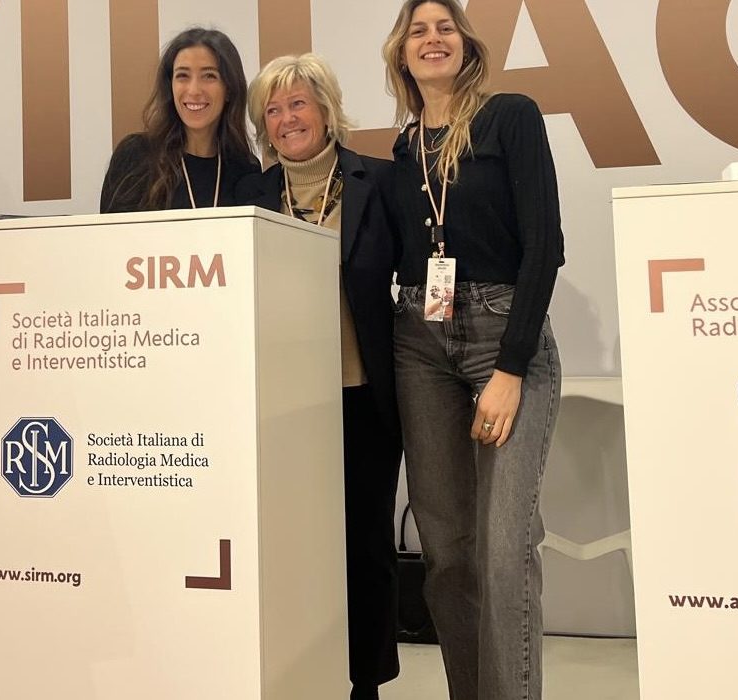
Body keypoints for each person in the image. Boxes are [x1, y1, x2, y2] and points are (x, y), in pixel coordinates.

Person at [382, 0, 565, 698]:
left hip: (503, 338)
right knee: (448, 556)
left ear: (465, 44)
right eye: (418, 31)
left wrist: (511, 368)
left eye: (444, 27)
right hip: (420, 345)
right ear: (401, 52)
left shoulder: (508, 117)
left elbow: (544, 246)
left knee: (504, 553)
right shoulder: (404, 149)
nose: (432, 39)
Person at [241, 54, 403, 700]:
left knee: (366, 548)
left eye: (298, 104)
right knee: (290, 547)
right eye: (272, 111)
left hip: (361, 396)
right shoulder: (249, 198)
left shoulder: (379, 182)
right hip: (280, 407)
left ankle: (366, 684)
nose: (286, 120)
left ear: (327, 110)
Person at [100, 28, 258, 213]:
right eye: (183, 76)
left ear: (229, 89)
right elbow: (111, 231)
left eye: (209, 76)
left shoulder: (245, 168)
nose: (194, 90)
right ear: (170, 86)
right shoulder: (135, 156)